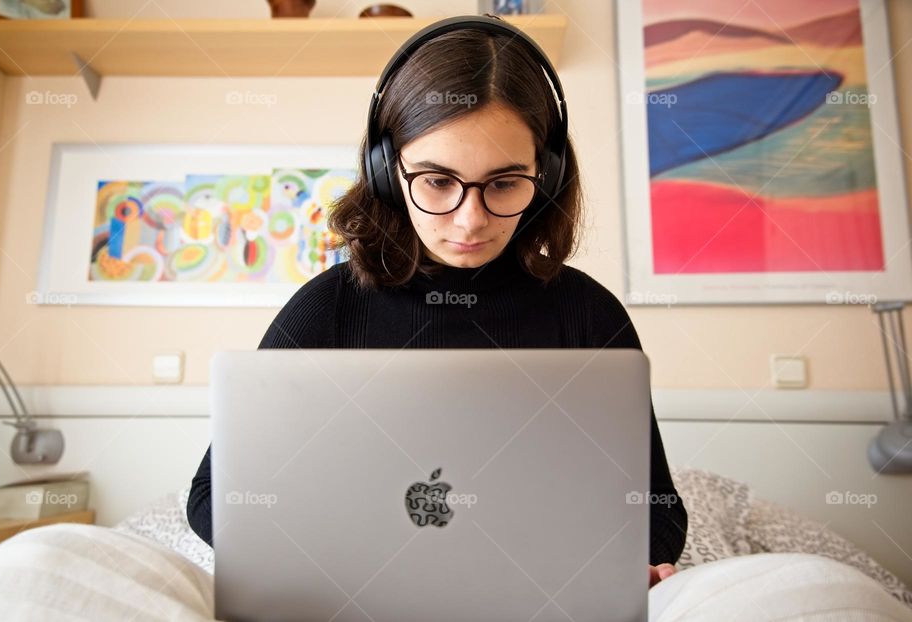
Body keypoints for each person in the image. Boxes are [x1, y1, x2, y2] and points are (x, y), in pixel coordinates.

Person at [187, 14, 687, 588]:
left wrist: (620, 561)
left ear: (544, 176)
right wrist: (325, 560)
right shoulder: (326, 310)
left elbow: (658, 513)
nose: (470, 219)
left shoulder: (588, 316)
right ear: (386, 172)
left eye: (504, 183)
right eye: (436, 181)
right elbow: (211, 499)